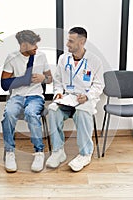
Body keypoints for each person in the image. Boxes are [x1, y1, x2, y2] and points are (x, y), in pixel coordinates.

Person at [45, 27, 104, 172]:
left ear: (82, 42)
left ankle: (85, 154)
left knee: (83, 112)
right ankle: (58, 151)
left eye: (71, 41)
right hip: (67, 98)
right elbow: (58, 80)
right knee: (52, 110)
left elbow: (99, 85)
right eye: (68, 40)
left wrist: (88, 96)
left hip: (85, 99)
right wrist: (58, 93)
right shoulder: (63, 59)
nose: (67, 44)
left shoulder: (95, 61)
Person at [1, 30, 52, 173]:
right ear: (23, 45)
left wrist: (43, 79)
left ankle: (39, 152)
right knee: (9, 114)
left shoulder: (41, 56)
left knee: (31, 113)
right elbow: (4, 85)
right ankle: (9, 152)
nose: (36, 47)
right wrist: (24, 80)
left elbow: (50, 79)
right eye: (33, 44)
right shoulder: (12, 58)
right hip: (17, 97)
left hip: (35, 96)